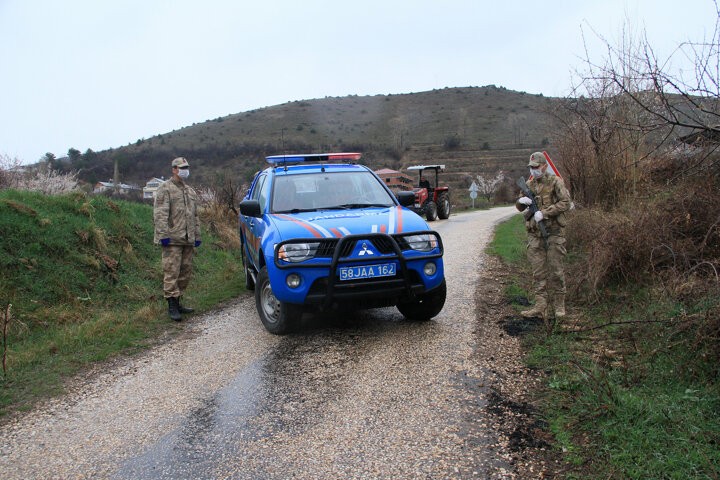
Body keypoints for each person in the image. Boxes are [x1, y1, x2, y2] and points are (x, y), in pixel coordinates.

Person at [515, 152, 571, 320]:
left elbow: (566, 203)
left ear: (544, 166)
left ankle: (559, 306)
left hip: (554, 232)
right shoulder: (528, 185)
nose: (533, 171)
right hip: (535, 235)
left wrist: (545, 213)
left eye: (536, 167)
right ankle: (540, 306)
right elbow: (520, 207)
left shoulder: (555, 182)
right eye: (531, 168)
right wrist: (521, 203)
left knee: (556, 270)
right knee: (538, 272)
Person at [153, 157, 201, 321]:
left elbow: (195, 215)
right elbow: (160, 214)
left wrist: (197, 235)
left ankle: (178, 301)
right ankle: (172, 306)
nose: (185, 170)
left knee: (185, 273)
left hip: (187, 239)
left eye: (186, 167)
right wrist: (163, 235)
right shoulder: (165, 189)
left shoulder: (189, 191)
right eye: (181, 167)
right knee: (171, 272)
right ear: (174, 169)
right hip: (172, 239)